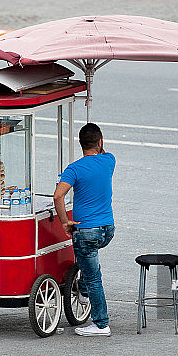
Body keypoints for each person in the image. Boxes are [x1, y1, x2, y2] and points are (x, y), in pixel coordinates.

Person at [53, 123, 115, 337]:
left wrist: (65, 222)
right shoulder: (109, 161)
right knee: (91, 265)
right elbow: (102, 152)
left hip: (86, 231)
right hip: (107, 230)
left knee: (93, 276)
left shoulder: (75, 169)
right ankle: (85, 289)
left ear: (80, 143)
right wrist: (100, 145)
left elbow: (58, 196)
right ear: (100, 141)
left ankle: (101, 324)